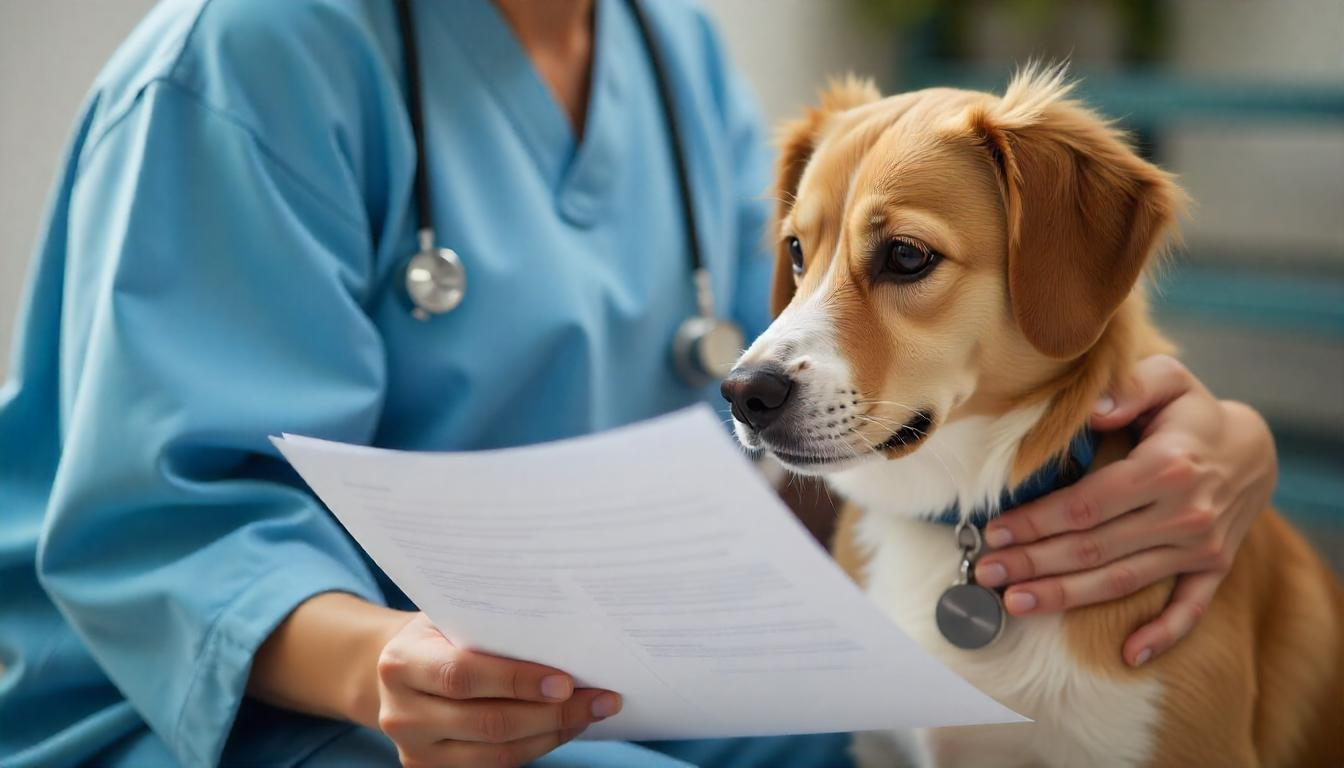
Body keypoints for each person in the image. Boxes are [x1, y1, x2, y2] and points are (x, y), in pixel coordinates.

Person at [0, 0, 1278, 766]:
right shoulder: (247, 60)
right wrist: (387, 662)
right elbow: (161, 528)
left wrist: (1207, 442)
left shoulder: (668, 53)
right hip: (269, 707)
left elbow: (825, 386)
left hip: (601, 662)